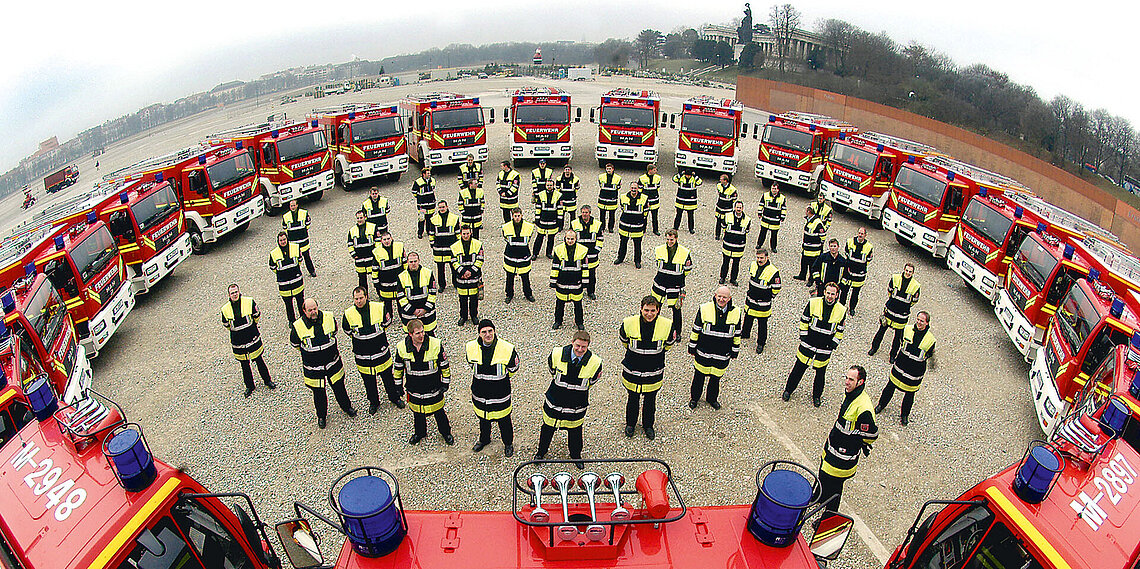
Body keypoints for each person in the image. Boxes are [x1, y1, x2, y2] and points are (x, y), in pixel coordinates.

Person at [818, 365, 879, 514]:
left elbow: (872, 435)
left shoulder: (864, 408)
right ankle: (819, 497)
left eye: (851, 379)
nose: (847, 382)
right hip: (832, 450)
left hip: (843, 458)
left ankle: (828, 519)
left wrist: (856, 443)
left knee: (835, 491)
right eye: (846, 378)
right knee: (823, 477)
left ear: (860, 382)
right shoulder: (852, 395)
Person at [536, 330, 602, 464]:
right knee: (547, 429)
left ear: (588, 346)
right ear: (572, 342)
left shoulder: (595, 362)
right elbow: (552, 370)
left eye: (583, 347)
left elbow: (593, 381)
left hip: (576, 405)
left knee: (576, 431)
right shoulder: (556, 354)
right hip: (554, 401)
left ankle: (576, 456)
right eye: (577, 345)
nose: (580, 349)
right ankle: (540, 453)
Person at [290, 298, 357, 429]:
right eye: (310, 310)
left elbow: (335, 332)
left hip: (332, 363)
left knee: (339, 387)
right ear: (304, 311)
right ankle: (322, 416)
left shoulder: (329, 317)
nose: (313, 312)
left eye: (315, 308)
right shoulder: (298, 326)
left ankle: (347, 407)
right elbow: (295, 344)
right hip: (314, 368)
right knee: (319, 393)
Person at [619, 296, 676, 440]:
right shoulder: (628, 323)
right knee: (633, 399)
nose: (649, 314)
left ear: (658, 310)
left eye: (652, 310)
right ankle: (630, 424)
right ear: (641, 309)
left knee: (650, 400)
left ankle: (648, 426)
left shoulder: (667, 325)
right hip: (632, 371)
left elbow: (669, 344)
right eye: (646, 310)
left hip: (654, 372)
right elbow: (624, 340)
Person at [783, 282, 847, 407]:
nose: (829, 296)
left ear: (837, 295)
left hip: (825, 348)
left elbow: (840, 330)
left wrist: (833, 345)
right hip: (808, 343)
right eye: (828, 293)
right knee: (799, 368)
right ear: (824, 292)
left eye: (832, 294)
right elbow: (804, 320)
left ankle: (816, 396)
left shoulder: (841, 310)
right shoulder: (813, 303)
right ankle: (788, 390)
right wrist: (804, 337)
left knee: (820, 373)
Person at [343, 287, 403, 414]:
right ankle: (374, 402)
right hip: (363, 356)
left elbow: (387, 322)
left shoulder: (379, 308)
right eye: (356, 299)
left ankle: (394, 397)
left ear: (366, 297)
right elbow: (347, 330)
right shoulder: (348, 314)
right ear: (353, 299)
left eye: (361, 298)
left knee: (387, 377)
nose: (359, 301)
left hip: (380, 352)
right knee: (368, 381)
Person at [465, 320, 521, 456]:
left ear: (494, 331)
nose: (488, 334)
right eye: (484, 332)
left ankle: (508, 443)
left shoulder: (507, 348)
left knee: (504, 421)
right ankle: (484, 439)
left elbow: (514, 368)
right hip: (480, 394)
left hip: (500, 394)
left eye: (490, 331)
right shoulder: (471, 347)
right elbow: (471, 364)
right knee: (484, 420)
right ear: (479, 333)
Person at [394, 319, 454, 446]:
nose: (421, 335)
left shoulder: (436, 344)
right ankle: (420, 433)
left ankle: (446, 432)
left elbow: (444, 365)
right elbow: (398, 368)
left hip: (433, 387)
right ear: (410, 334)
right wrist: (398, 385)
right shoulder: (401, 347)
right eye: (417, 333)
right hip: (414, 387)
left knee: (439, 411)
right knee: (418, 413)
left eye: (422, 332)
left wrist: (445, 382)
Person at [688, 286, 742, 410]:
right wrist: (692, 346)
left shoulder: (736, 312)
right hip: (703, 352)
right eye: (720, 296)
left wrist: (735, 350)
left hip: (722, 354)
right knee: (699, 377)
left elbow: (737, 333)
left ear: (729, 299)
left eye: (724, 297)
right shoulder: (704, 308)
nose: (721, 299)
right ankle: (694, 398)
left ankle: (712, 399)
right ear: (715, 295)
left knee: (715, 379)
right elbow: (696, 329)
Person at [876, 311, 935, 425]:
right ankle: (881, 405)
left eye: (922, 321)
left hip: (914, 372)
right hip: (901, 365)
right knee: (890, 387)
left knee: (909, 395)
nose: (919, 322)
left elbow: (929, 354)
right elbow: (901, 342)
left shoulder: (930, 339)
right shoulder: (907, 329)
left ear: (927, 323)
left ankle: (904, 416)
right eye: (918, 319)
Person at [220, 284, 275, 397]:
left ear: (239, 292)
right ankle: (249, 386)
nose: (235, 294)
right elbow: (226, 324)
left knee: (259, 360)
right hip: (238, 341)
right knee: (244, 365)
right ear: (229, 295)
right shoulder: (225, 309)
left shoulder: (249, 302)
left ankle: (267, 381)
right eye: (232, 293)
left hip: (252, 337)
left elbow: (256, 315)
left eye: (236, 292)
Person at [869, 263, 922, 361]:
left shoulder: (916, 286)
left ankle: (892, 355)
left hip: (902, 315)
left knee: (898, 337)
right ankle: (874, 348)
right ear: (904, 270)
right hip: (890, 311)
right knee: (881, 331)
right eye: (906, 270)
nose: (908, 273)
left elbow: (914, 300)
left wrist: (903, 306)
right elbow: (889, 291)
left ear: (913, 273)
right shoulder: (895, 278)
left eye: (910, 271)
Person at [651, 229, 693, 337]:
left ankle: (677, 332)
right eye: (668, 239)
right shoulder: (659, 250)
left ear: (676, 239)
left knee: (676, 310)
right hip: (660, 284)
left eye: (672, 239)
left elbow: (688, 268)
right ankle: (652, 328)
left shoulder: (684, 252)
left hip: (675, 286)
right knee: (655, 307)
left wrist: (679, 278)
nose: (670, 242)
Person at [742, 248, 781, 354]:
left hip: (763, 303)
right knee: (748, 317)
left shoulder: (773, 271)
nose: (759, 260)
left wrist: (769, 296)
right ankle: (745, 334)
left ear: (767, 257)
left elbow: (777, 287)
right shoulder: (753, 265)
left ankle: (761, 343)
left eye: (761, 258)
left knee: (762, 324)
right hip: (751, 300)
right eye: (758, 257)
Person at [551, 230, 588, 330]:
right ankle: (558, 321)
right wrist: (553, 281)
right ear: (565, 238)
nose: (570, 241)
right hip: (562, 282)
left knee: (578, 304)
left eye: (572, 239)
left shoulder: (583, 250)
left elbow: (585, 267)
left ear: (576, 239)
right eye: (568, 238)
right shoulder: (558, 250)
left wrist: (585, 282)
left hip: (576, 282)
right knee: (560, 303)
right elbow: (555, 266)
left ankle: (579, 323)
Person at [269, 228, 306, 325]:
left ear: (287, 239)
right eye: (281, 240)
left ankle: (303, 317)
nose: (283, 242)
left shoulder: (295, 248)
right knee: (288, 304)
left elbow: (300, 259)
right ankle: (291, 320)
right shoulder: (273, 253)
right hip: (284, 284)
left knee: (300, 301)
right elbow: (272, 267)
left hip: (297, 282)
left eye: (284, 239)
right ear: (278, 241)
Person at [397, 252, 438, 336]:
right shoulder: (401, 276)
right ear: (407, 262)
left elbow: (432, 293)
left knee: (430, 336)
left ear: (419, 261)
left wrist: (425, 309)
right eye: (411, 262)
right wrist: (413, 311)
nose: (413, 264)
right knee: (412, 338)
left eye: (415, 261)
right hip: (410, 314)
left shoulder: (428, 273)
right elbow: (401, 297)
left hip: (426, 313)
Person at [450, 225, 484, 326]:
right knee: (462, 298)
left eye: (467, 233)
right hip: (461, 277)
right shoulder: (454, 246)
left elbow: (480, 259)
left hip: (474, 276)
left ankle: (474, 315)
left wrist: (470, 272)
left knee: (474, 297)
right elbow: (453, 261)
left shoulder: (478, 244)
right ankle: (463, 316)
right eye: (464, 233)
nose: (465, 235)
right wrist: (463, 272)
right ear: (461, 234)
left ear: (471, 233)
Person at [502, 207, 536, 303]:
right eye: (515, 216)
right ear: (512, 216)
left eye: (518, 216)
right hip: (510, 256)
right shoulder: (506, 227)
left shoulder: (529, 226)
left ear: (522, 216)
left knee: (525, 277)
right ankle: (509, 294)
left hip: (523, 256)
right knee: (509, 278)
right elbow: (505, 238)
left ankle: (528, 294)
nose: (517, 218)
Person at [371, 231, 406, 323]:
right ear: (381, 241)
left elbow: (405, 262)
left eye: (388, 239)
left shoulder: (400, 247)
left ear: (392, 239)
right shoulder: (376, 252)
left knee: (401, 301)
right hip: (385, 283)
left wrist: (407, 277)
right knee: (387, 303)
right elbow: (375, 269)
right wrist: (376, 282)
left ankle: (403, 318)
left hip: (398, 282)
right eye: (384, 239)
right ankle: (388, 319)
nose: (387, 241)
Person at [571, 205, 604, 300]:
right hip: (579, 255)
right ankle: (579, 290)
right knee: (578, 273)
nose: (584, 214)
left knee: (592, 275)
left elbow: (600, 238)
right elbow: (571, 237)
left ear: (590, 213)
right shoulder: (574, 223)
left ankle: (591, 292)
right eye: (583, 212)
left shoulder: (597, 224)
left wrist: (597, 250)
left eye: (586, 212)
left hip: (592, 255)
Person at [427, 200, 460, 291]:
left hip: (451, 248)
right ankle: (442, 285)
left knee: (454, 267)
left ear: (447, 207)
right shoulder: (433, 219)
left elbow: (458, 234)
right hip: (439, 249)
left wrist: (457, 247)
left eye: (443, 207)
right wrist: (433, 245)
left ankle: (455, 283)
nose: (442, 209)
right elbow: (431, 234)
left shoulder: (454, 218)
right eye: (440, 207)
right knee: (440, 269)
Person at [840, 228, 874, 316]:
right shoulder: (850, 241)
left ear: (865, 235)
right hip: (848, 272)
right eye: (859, 233)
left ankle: (852, 308)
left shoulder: (869, 247)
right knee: (844, 291)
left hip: (859, 274)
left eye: (862, 233)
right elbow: (846, 253)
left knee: (855, 293)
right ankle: (841, 307)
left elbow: (868, 259)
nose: (860, 235)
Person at [615, 182, 649, 268]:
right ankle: (620, 258)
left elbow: (646, 212)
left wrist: (642, 224)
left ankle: (637, 261)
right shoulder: (623, 197)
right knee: (623, 243)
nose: (633, 190)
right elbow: (622, 208)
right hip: (625, 225)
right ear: (630, 188)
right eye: (632, 188)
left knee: (637, 245)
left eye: (635, 188)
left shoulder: (644, 198)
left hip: (637, 226)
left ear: (638, 188)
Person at [719, 200, 752, 286]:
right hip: (727, 245)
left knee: (736, 264)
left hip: (739, 247)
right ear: (734, 208)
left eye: (740, 208)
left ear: (742, 208)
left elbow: (747, 230)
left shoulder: (747, 220)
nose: (738, 209)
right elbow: (723, 226)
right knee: (725, 262)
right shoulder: (727, 216)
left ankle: (733, 279)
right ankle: (723, 277)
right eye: (737, 207)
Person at [282, 199, 316, 277]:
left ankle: (312, 271)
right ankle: (296, 273)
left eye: (294, 205)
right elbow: (285, 227)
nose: (293, 207)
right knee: (295, 259)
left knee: (307, 257)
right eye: (291, 206)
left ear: (297, 205)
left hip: (303, 240)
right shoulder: (285, 216)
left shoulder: (304, 213)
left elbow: (308, 224)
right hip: (293, 242)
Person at [794, 205, 827, 281]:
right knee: (803, 263)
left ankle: (811, 280)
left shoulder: (817, 222)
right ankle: (802, 276)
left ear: (808, 212)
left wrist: (820, 244)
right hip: (806, 248)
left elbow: (823, 235)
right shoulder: (809, 220)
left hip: (813, 250)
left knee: (812, 265)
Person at [532, 180, 564, 259]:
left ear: (553, 186)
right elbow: (538, 208)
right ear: (545, 186)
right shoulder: (541, 194)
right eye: (548, 185)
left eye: (551, 185)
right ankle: (535, 254)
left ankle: (549, 253)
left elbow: (560, 210)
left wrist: (560, 223)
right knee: (539, 238)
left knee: (551, 238)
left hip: (553, 221)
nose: (549, 187)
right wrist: (537, 219)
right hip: (542, 220)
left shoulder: (558, 195)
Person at [347, 210, 377, 290]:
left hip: (371, 258)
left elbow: (378, 241)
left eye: (361, 217)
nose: (359, 220)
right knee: (362, 280)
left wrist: (376, 254)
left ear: (365, 217)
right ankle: (364, 295)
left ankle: (380, 293)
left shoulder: (373, 227)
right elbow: (350, 244)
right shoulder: (352, 230)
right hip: (359, 259)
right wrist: (353, 255)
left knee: (377, 277)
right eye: (358, 218)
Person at [757, 183, 787, 252]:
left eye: (775, 189)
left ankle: (773, 247)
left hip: (775, 220)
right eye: (772, 188)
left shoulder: (782, 198)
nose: (773, 190)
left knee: (774, 235)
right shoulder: (765, 195)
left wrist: (782, 217)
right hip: (765, 219)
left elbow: (783, 208)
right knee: (762, 233)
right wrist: (759, 212)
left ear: (778, 190)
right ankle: (759, 244)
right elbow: (761, 204)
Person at [671, 169, 701, 234]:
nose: (688, 176)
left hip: (690, 202)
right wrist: (680, 174)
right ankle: (675, 227)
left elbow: (700, 182)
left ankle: (691, 229)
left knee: (690, 216)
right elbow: (674, 179)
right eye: (687, 175)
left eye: (689, 175)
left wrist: (695, 176)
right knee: (678, 215)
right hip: (680, 201)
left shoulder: (694, 179)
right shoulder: (681, 177)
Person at [412, 168, 437, 239]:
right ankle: (420, 233)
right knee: (421, 219)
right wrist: (420, 198)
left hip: (431, 204)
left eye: (429, 173)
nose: (429, 175)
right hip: (422, 205)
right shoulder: (418, 182)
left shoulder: (433, 180)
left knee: (429, 218)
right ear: (424, 174)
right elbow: (414, 192)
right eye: (428, 173)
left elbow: (433, 189)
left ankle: (429, 231)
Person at [597, 163, 622, 233]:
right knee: (602, 215)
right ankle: (602, 227)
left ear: (613, 169)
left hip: (612, 200)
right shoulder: (601, 177)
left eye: (610, 169)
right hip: (602, 199)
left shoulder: (618, 178)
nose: (608, 170)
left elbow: (618, 187)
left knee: (612, 215)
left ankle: (610, 228)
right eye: (607, 169)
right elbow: (600, 185)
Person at [639, 164, 663, 235]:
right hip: (645, 201)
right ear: (650, 170)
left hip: (655, 200)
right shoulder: (642, 178)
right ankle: (643, 230)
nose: (656, 171)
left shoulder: (658, 178)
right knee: (644, 216)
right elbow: (640, 190)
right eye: (654, 170)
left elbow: (657, 187)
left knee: (655, 217)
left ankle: (655, 230)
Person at [713, 174, 738, 241]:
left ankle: (726, 236)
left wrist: (728, 203)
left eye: (721, 179)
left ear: (725, 181)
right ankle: (717, 235)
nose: (720, 180)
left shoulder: (732, 189)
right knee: (718, 222)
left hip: (727, 209)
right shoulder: (719, 186)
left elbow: (734, 198)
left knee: (726, 223)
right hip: (719, 208)